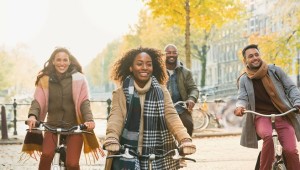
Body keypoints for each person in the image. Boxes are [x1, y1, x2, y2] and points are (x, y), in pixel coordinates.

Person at [103, 47, 196, 169]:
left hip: (157, 152)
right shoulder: (121, 93)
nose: (145, 67)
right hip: (127, 152)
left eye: (149, 64)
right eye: (139, 64)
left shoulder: (162, 91)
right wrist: (112, 137)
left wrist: (184, 139)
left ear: (153, 68)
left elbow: (171, 116)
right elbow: (116, 117)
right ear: (131, 67)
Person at [22, 47, 105, 170]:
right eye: (58, 60)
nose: (62, 63)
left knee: (71, 164)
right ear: (53, 61)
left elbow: (84, 102)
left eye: (65, 60)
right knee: (46, 155)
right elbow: (37, 102)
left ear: (69, 61)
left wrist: (89, 120)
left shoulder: (79, 79)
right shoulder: (45, 79)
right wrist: (32, 116)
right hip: (51, 126)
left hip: (75, 127)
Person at [234, 44, 300, 170]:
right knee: (268, 137)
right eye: (251, 56)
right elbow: (242, 98)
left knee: (291, 151)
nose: (255, 58)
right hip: (261, 117)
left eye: (257, 54)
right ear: (245, 60)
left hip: (283, 115)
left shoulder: (275, 71)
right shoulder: (244, 79)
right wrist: (240, 107)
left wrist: (297, 102)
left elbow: (291, 88)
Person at [163, 44, 199, 136]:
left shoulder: (186, 72)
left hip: (181, 108)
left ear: (177, 54)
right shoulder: (158, 72)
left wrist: (191, 99)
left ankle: (186, 148)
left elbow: (193, 88)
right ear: (164, 55)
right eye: (169, 53)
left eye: (174, 53)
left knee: (188, 124)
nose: (171, 55)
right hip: (162, 109)